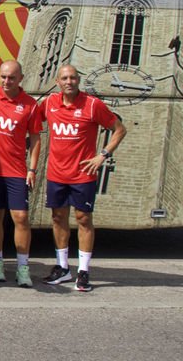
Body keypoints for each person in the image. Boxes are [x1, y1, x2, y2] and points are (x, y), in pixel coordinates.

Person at [41, 64, 126, 292]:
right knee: (58, 218)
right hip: (56, 173)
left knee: (83, 220)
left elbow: (119, 129)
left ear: (78, 80)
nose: (69, 82)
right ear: (58, 82)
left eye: (73, 78)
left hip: (83, 175)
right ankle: (62, 268)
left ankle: (84, 271)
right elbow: (30, 120)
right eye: (65, 78)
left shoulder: (92, 105)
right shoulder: (49, 103)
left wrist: (103, 155)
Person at [0, 60, 43, 287]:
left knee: (21, 219)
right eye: (3, 77)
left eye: (11, 78)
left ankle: (23, 268)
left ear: (20, 79)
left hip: (16, 171)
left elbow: (35, 139)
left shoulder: (30, 105)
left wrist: (32, 169)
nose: (6, 82)